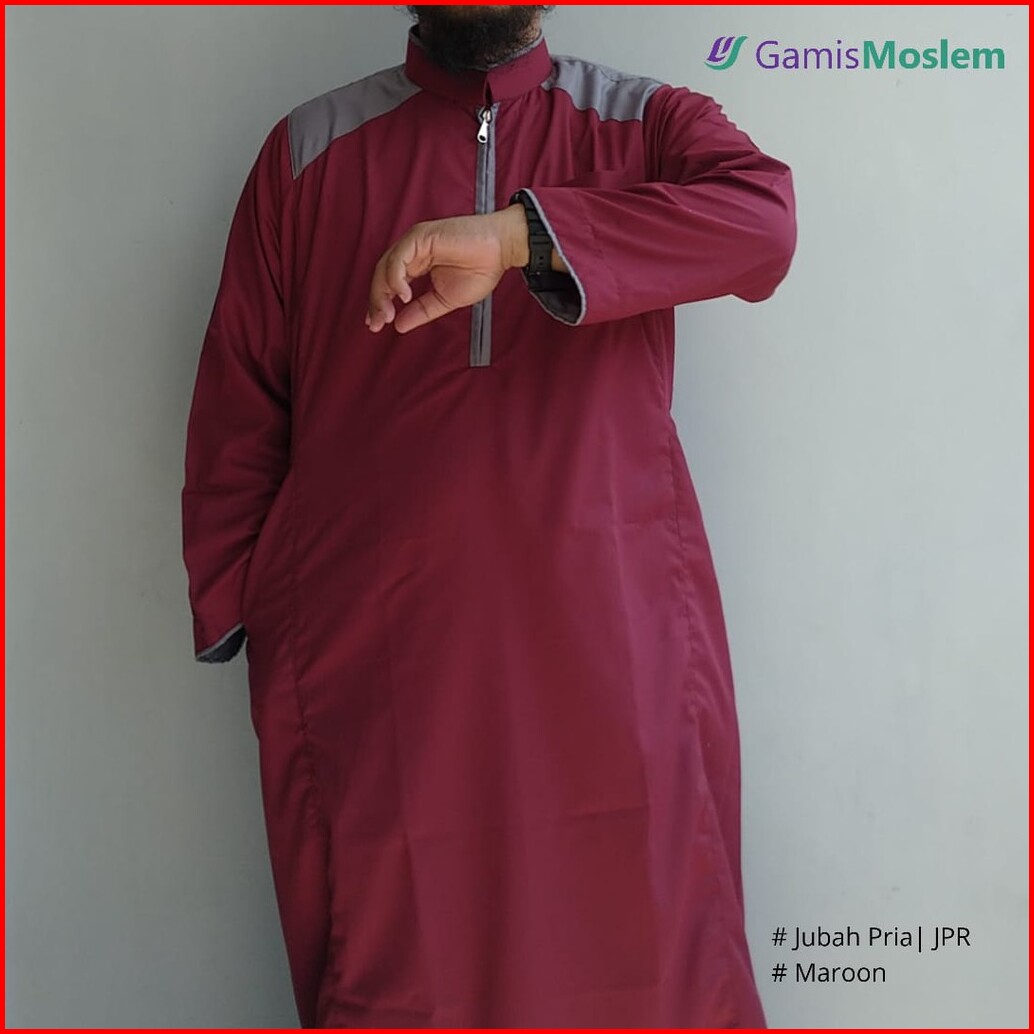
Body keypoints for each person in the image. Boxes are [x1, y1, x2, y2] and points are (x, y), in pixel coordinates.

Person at [181, 5, 796, 1028]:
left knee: (650, 960)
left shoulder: (645, 126)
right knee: (397, 971)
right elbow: (239, 410)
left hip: (617, 641)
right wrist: (258, 617)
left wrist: (522, 237)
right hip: (378, 669)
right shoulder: (307, 152)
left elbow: (762, 223)